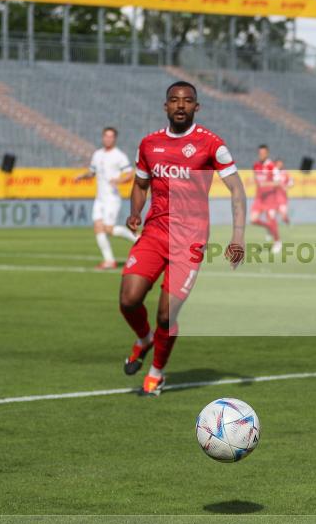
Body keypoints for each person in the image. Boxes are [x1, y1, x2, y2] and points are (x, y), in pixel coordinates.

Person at [118, 81, 246, 396]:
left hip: (189, 240)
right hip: (154, 233)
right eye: (174, 100)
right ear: (165, 106)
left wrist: (238, 236)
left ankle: (157, 372)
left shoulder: (211, 144)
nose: (180, 105)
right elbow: (140, 182)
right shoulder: (149, 143)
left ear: (196, 107)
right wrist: (135, 211)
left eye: (187, 101)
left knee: (166, 313)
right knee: (128, 299)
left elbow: (237, 189)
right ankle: (144, 338)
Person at [75, 127, 138, 269]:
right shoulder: (97, 154)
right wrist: (82, 176)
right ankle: (109, 261)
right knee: (98, 228)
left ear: (114, 139)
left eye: (111, 137)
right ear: (103, 138)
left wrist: (118, 180)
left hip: (112, 198)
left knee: (109, 229)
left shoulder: (119, 155)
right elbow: (92, 172)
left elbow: (129, 173)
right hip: (100, 199)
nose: (108, 139)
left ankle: (139, 239)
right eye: (106, 136)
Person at [250, 144, 282, 253]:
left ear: (267, 153)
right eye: (260, 153)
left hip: (270, 199)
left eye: (263, 153)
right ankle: (268, 227)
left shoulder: (272, 166)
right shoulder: (256, 165)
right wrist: (252, 180)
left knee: (272, 220)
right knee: (253, 220)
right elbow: (256, 178)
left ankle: (277, 242)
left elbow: (278, 182)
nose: (261, 155)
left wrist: (266, 183)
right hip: (259, 198)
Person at [273, 158, 293, 224]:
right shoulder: (273, 172)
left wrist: (287, 186)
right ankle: (270, 233)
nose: (279, 165)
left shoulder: (286, 173)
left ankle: (287, 222)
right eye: (278, 164)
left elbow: (291, 183)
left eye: (281, 163)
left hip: (282, 198)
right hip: (273, 197)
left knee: (283, 216)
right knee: (272, 216)